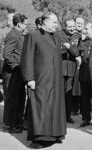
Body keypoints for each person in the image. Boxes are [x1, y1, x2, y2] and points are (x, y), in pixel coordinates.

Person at [20, 12, 66, 149]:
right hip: (40, 79)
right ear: (45, 22)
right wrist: (29, 78)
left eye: (57, 23)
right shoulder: (33, 35)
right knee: (40, 108)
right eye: (54, 22)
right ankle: (39, 138)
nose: (56, 25)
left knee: (55, 108)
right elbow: (26, 58)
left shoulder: (56, 37)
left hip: (56, 79)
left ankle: (55, 134)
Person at [2, 14, 28, 133]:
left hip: (19, 72)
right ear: (19, 24)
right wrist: (16, 67)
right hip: (13, 73)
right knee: (12, 99)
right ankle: (10, 124)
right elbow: (7, 54)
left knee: (21, 98)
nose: (26, 25)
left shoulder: (19, 35)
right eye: (25, 24)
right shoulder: (13, 35)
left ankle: (18, 122)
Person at [57, 18, 80, 124]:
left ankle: (67, 116)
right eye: (69, 26)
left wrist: (69, 47)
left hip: (71, 68)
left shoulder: (76, 36)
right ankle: (58, 116)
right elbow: (55, 50)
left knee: (68, 93)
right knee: (59, 93)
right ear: (64, 26)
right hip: (60, 67)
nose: (72, 29)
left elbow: (76, 53)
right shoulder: (57, 34)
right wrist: (65, 49)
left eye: (73, 26)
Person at [78, 22, 92, 127]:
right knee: (84, 98)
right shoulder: (83, 41)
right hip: (84, 73)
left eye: (86, 28)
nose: (84, 30)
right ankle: (86, 118)